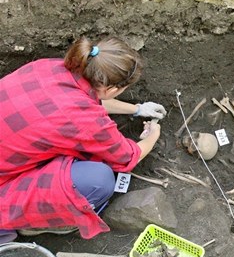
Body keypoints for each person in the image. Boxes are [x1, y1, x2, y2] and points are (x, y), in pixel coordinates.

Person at [0, 36, 167, 241]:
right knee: (98, 179)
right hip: (3, 188)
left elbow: (90, 98)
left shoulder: (49, 66)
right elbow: (127, 158)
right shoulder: (84, 119)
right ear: (112, 90)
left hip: (7, 156)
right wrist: (152, 136)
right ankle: (33, 222)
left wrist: (137, 109)